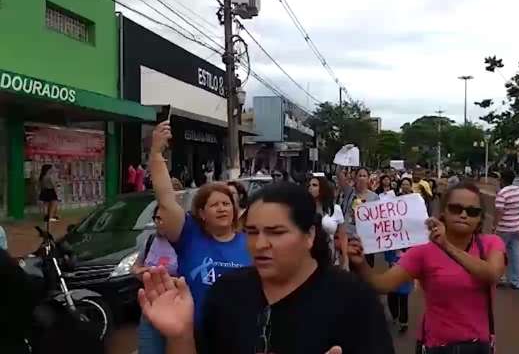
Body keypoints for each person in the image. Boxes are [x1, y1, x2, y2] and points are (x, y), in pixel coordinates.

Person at [137, 182, 395, 354]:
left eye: (276, 232)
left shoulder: (354, 299)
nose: (260, 244)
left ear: (309, 235)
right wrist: (180, 336)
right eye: (251, 232)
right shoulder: (227, 292)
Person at [348, 182, 506, 354]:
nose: (463, 215)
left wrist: (446, 246)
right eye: (455, 208)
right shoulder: (423, 251)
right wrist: (360, 264)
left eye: (472, 211)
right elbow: (382, 284)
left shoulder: (491, 243)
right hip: (437, 347)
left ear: (480, 218)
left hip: (478, 347)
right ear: (443, 212)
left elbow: (492, 274)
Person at [147, 121, 251, 329]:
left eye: (226, 204)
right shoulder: (190, 236)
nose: (222, 209)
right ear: (202, 213)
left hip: (241, 333)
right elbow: (166, 200)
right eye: (214, 205)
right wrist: (156, 153)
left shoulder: (252, 243)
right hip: (195, 334)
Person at [133, 206, 178, 354]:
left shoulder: (185, 243)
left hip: (177, 311)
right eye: (156, 218)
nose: (159, 222)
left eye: (163, 218)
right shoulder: (151, 240)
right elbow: (135, 268)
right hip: (150, 310)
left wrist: (165, 278)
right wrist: (143, 272)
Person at [338, 166, 379, 268]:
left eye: (364, 176)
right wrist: (342, 162)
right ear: (355, 178)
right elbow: (339, 175)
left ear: (368, 178)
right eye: (359, 175)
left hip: (366, 241)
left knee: (366, 271)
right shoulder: (349, 192)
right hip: (348, 239)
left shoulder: (374, 197)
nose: (361, 178)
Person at [492, 169, 519, 290]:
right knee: (515, 254)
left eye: (499, 178)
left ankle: (501, 278)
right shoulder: (518, 190)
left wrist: (494, 226)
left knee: (499, 253)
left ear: (503, 180)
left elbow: (499, 211)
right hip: (516, 227)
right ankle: (516, 281)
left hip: (504, 229)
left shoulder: (502, 193)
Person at [308, 176, 349, 269]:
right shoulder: (304, 208)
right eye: (309, 185)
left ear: (322, 188)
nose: (310, 187)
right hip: (308, 256)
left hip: (330, 256)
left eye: (314, 185)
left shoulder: (335, 209)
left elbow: (343, 235)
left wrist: (346, 259)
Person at [383, 249, 411, 334]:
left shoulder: (409, 247)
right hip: (392, 274)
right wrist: (392, 261)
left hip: (405, 275)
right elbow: (386, 254)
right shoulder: (390, 248)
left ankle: (403, 323)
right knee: (392, 296)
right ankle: (395, 315)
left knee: (403, 300)